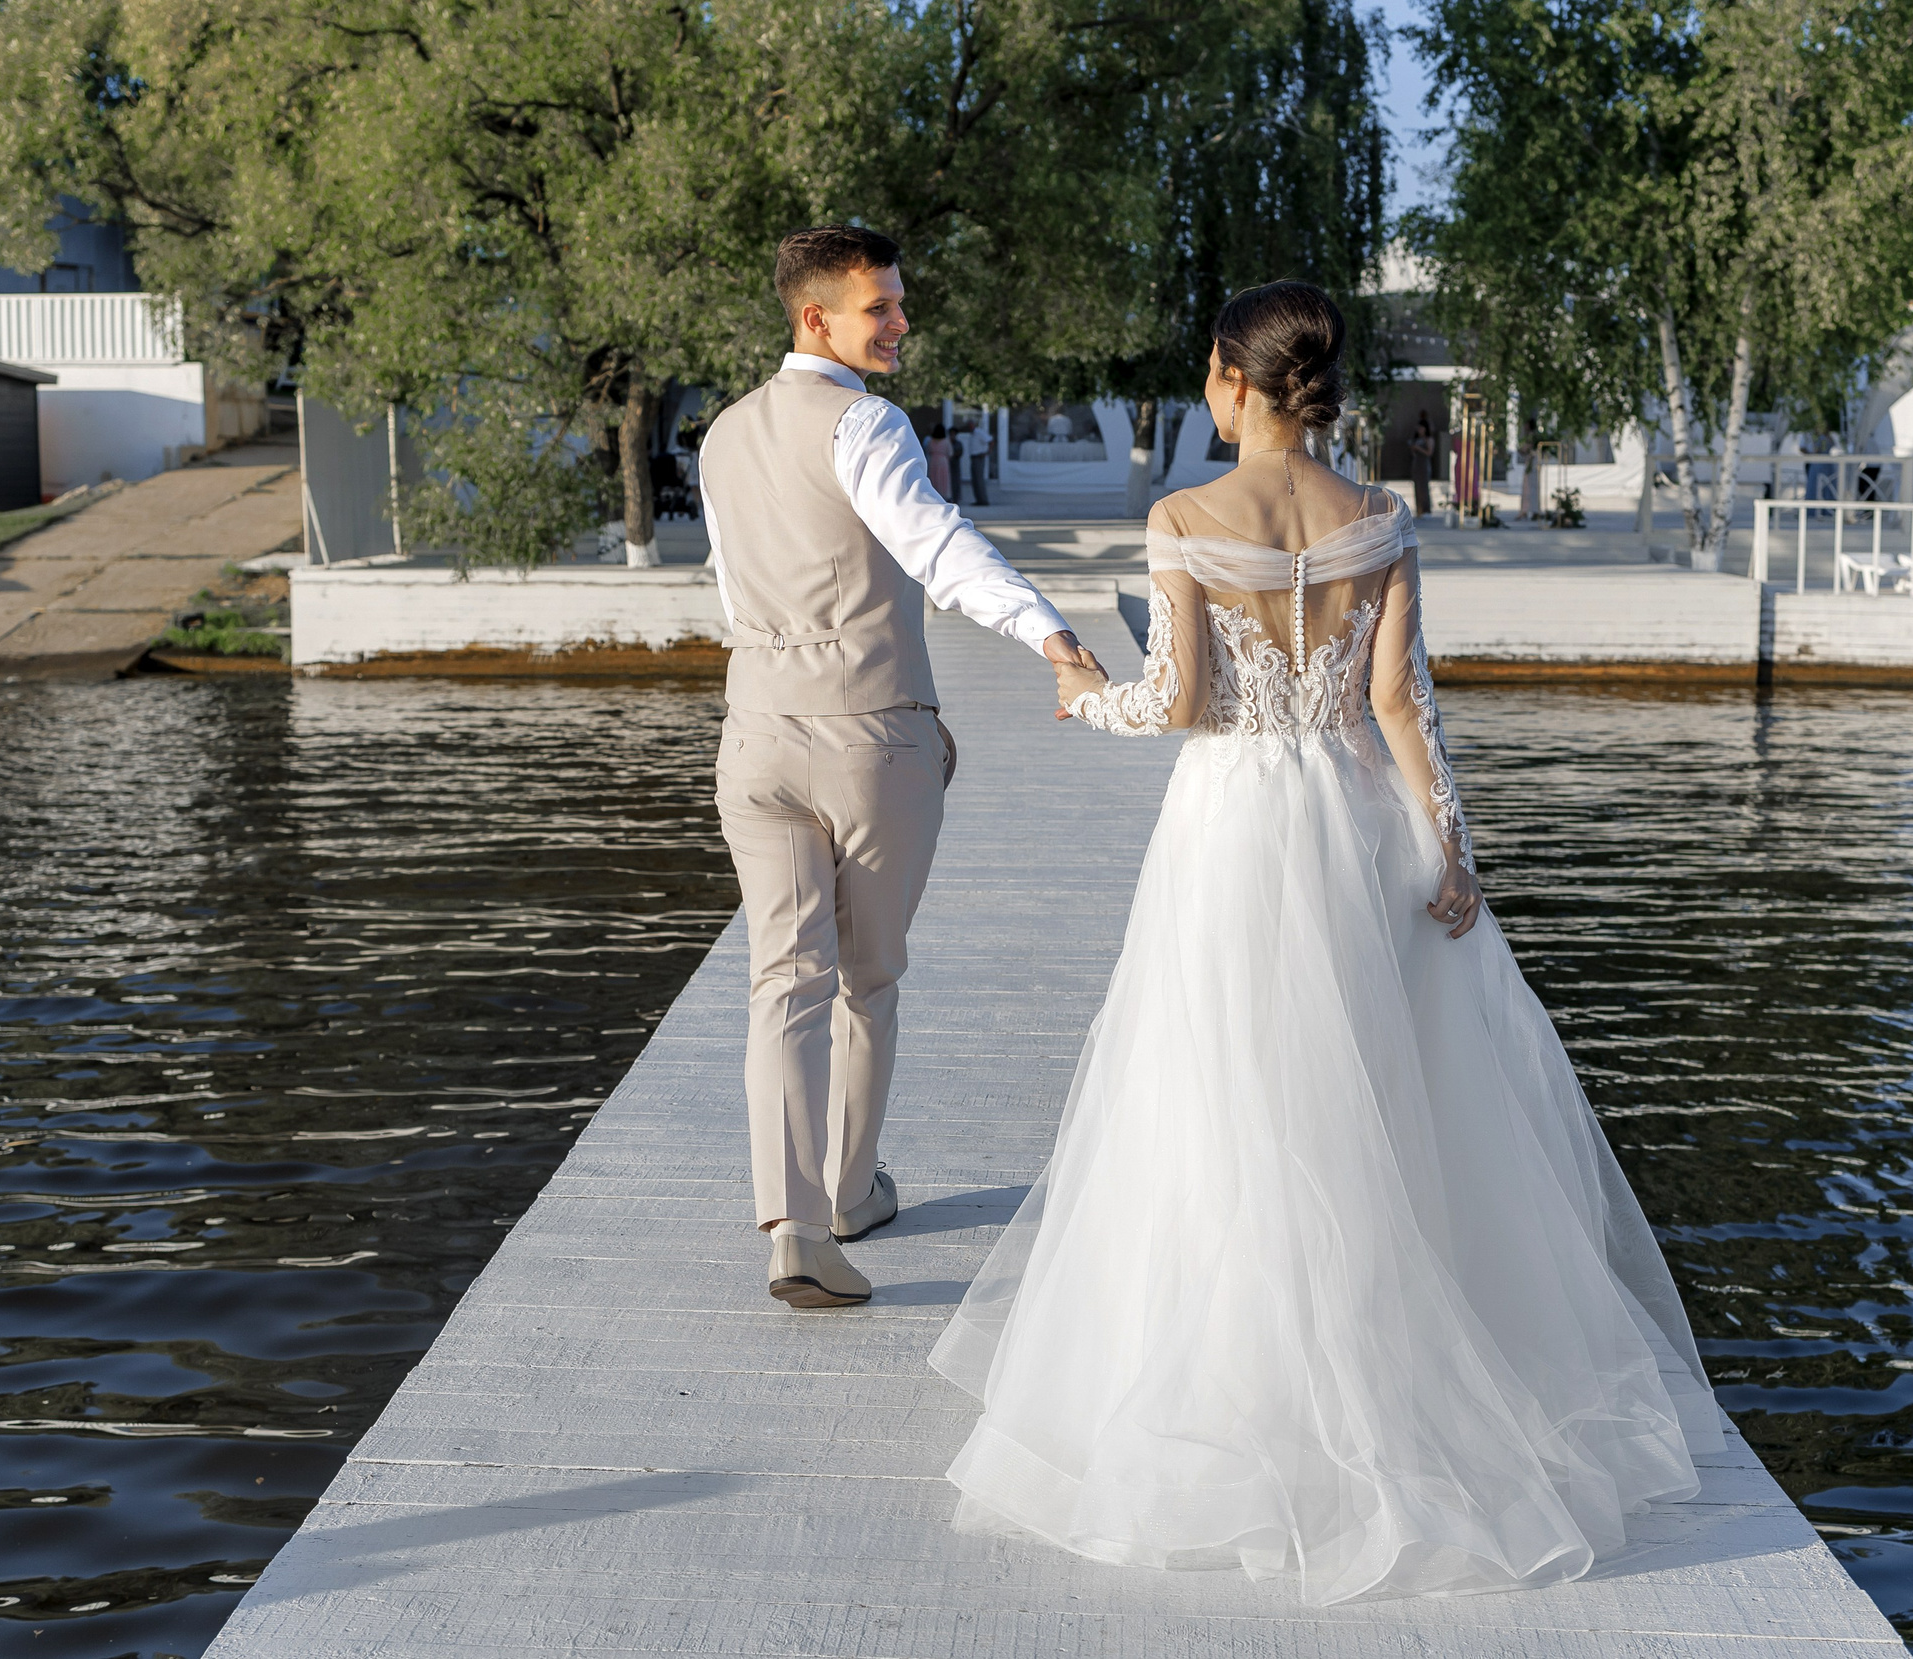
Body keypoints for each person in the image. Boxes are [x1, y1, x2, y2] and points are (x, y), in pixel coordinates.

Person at [930, 282, 1721, 1602]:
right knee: (1372, 1092)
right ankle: (1389, 1371)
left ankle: (1240, 1386)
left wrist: (1083, 697)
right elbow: (1401, 703)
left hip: (1234, 827)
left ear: (1229, 380)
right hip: (1355, 821)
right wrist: (1450, 846)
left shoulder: (1185, 516)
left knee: (1226, 1093)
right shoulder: (1381, 520)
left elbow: (1180, 699)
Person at [697, 225, 1101, 1310]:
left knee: (783, 978)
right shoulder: (864, 422)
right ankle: (847, 1194)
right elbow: (934, 544)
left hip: (754, 733)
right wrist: (1052, 636)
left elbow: (732, 589)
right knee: (865, 978)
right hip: (870, 734)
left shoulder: (722, 433)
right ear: (815, 317)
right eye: (879, 307)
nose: (900, 322)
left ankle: (791, 1226)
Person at [958, 414, 991, 506]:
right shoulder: (972, 435)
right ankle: (979, 499)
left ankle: (983, 499)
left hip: (979, 458)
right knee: (975, 480)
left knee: (979, 480)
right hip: (973, 458)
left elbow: (990, 441)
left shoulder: (979, 433)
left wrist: (986, 453)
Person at [1408, 410, 1436, 516]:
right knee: (1417, 487)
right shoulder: (1416, 439)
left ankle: (1426, 509)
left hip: (1424, 464)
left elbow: (1429, 452)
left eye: (1421, 428)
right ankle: (1418, 509)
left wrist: (1418, 448)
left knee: (1424, 487)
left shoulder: (1429, 439)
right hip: (1416, 463)